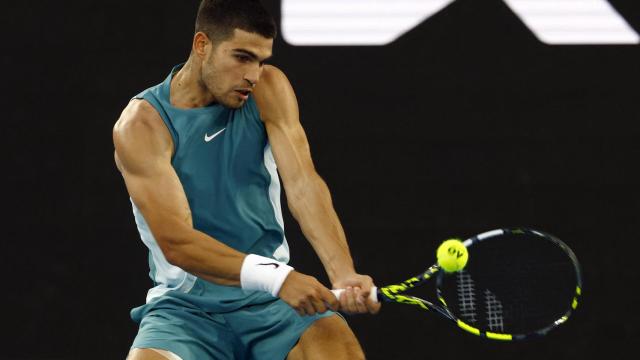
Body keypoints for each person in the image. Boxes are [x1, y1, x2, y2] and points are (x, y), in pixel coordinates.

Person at [112, 1, 380, 359]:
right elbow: (178, 242)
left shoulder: (268, 88)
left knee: (337, 350)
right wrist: (277, 277)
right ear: (202, 45)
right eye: (241, 57)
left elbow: (303, 185)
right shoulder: (142, 126)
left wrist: (343, 273)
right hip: (186, 308)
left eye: (261, 60)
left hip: (270, 303)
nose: (253, 74)